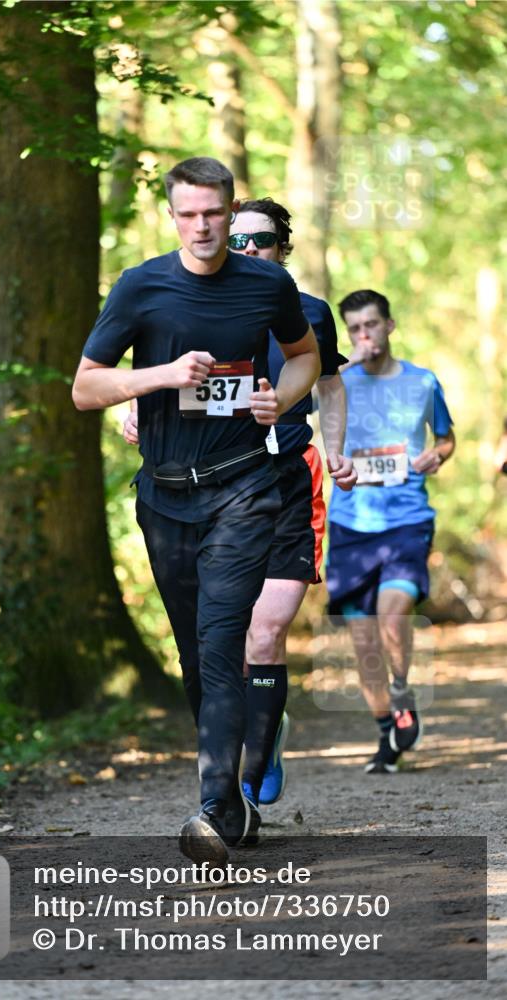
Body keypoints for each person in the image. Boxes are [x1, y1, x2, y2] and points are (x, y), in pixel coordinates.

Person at [72, 157, 321, 862]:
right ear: (172, 216)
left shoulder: (268, 284)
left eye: (213, 213)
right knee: (192, 653)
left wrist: (281, 396)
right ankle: (231, 793)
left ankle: (214, 806)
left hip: (244, 487)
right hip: (164, 497)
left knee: (220, 642)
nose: (202, 227)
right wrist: (163, 376)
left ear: (229, 210)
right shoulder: (141, 286)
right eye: (188, 215)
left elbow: (303, 356)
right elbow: (85, 389)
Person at [124, 198, 357, 813]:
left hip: (288, 478)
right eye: (240, 240)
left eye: (263, 241)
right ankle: (236, 761)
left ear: (283, 248)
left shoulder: (309, 313)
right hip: (217, 487)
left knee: (267, 630)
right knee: (220, 639)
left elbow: (329, 384)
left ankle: (258, 757)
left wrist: (336, 449)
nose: (249, 250)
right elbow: (165, 372)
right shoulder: (200, 306)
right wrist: (139, 412)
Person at [327, 289, 455, 773]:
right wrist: (342, 365)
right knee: (363, 642)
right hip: (350, 523)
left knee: (393, 611)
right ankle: (386, 731)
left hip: (406, 519)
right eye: (355, 328)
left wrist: (437, 455)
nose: (365, 335)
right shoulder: (336, 381)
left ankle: (401, 691)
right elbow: (290, 399)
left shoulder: (423, 382)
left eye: (371, 325)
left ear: (389, 325)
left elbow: (446, 438)